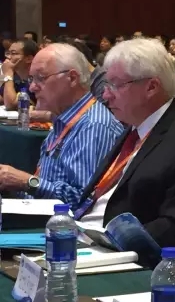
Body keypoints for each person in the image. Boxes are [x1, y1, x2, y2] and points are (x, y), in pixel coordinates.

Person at [76, 38, 175, 259]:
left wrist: (110, 243)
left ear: (151, 87)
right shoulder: (134, 128)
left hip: (123, 256)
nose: (106, 95)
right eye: (107, 85)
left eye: (116, 85)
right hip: (83, 236)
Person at [0, 44, 122, 208]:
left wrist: (27, 182)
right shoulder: (63, 119)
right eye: (31, 79)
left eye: (41, 78)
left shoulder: (94, 126)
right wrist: (10, 184)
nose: (32, 87)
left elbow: (83, 202)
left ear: (72, 78)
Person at [1, 39, 38, 109]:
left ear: (29, 59)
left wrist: (8, 74)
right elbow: (2, 97)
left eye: (13, 53)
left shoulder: (36, 81)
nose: (8, 57)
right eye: (8, 53)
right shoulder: (16, 77)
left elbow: (11, 105)